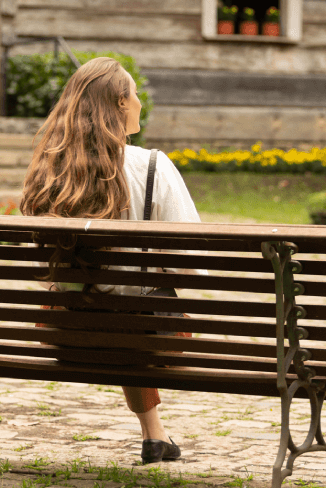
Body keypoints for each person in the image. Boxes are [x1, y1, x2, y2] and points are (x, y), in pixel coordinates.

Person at [21, 56, 204, 465]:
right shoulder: (153, 166)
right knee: (135, 316)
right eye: (135, 93)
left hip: (66, 334)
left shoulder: (53, 170)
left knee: (115, 311)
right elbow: (192, 266)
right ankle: (155, 436)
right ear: (121, 103)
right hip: (148, 339)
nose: (139, 101)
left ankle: (155, 436)